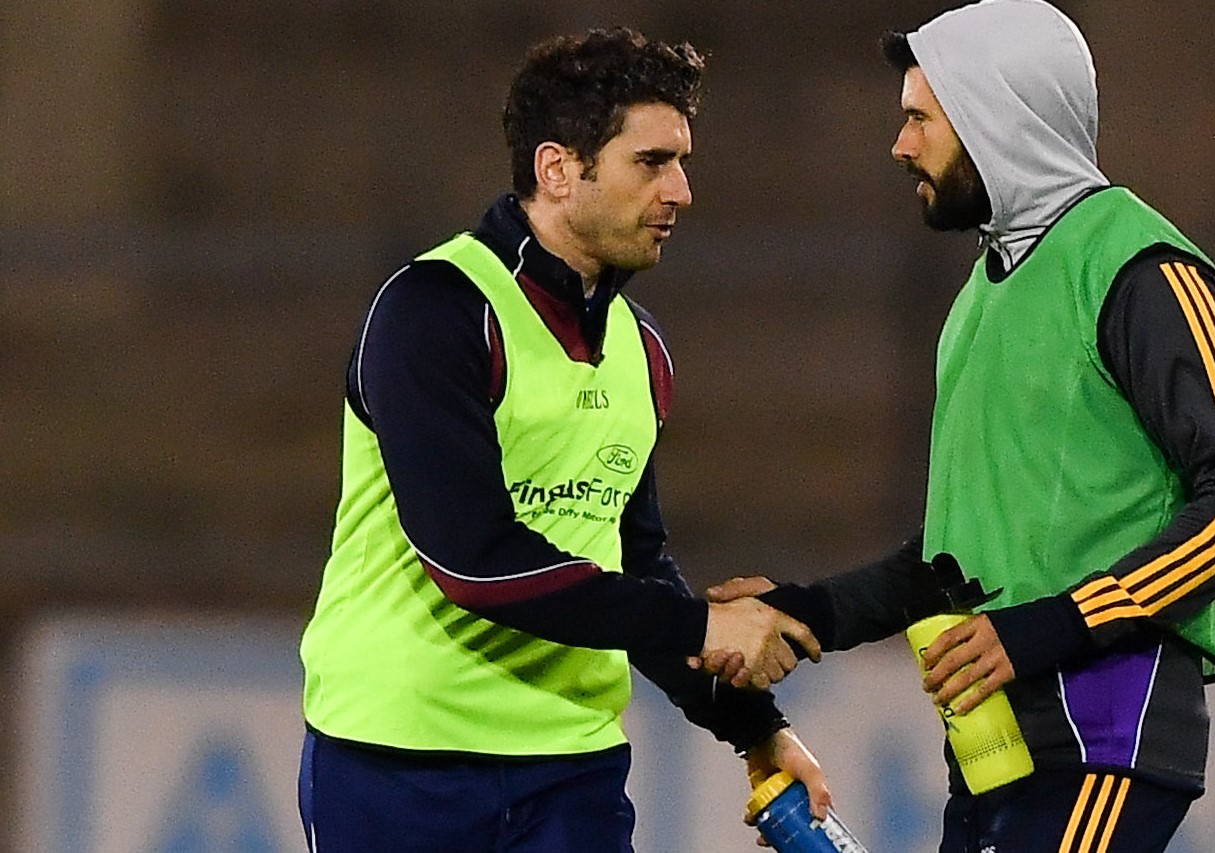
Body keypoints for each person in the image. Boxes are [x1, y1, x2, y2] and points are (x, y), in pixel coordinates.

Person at [704, 1, 1215, 850]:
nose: (899, 145)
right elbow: (953, 560)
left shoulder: (1138, 266)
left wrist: (1050, 626)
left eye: (919, 118)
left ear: (996, 119)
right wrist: (803, 614)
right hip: (996, 752)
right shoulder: (981, 298)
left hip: (1104, 739)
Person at [297, 28, 830, 853]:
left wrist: (755, 728)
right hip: (400, 762)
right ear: (558, 169)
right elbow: (471, 558)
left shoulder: (640, 347)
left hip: (571, 770)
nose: (681, 190)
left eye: (682, 161)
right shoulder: (435, 310)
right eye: (651, 162)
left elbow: (636, 562)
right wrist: (697, 627)